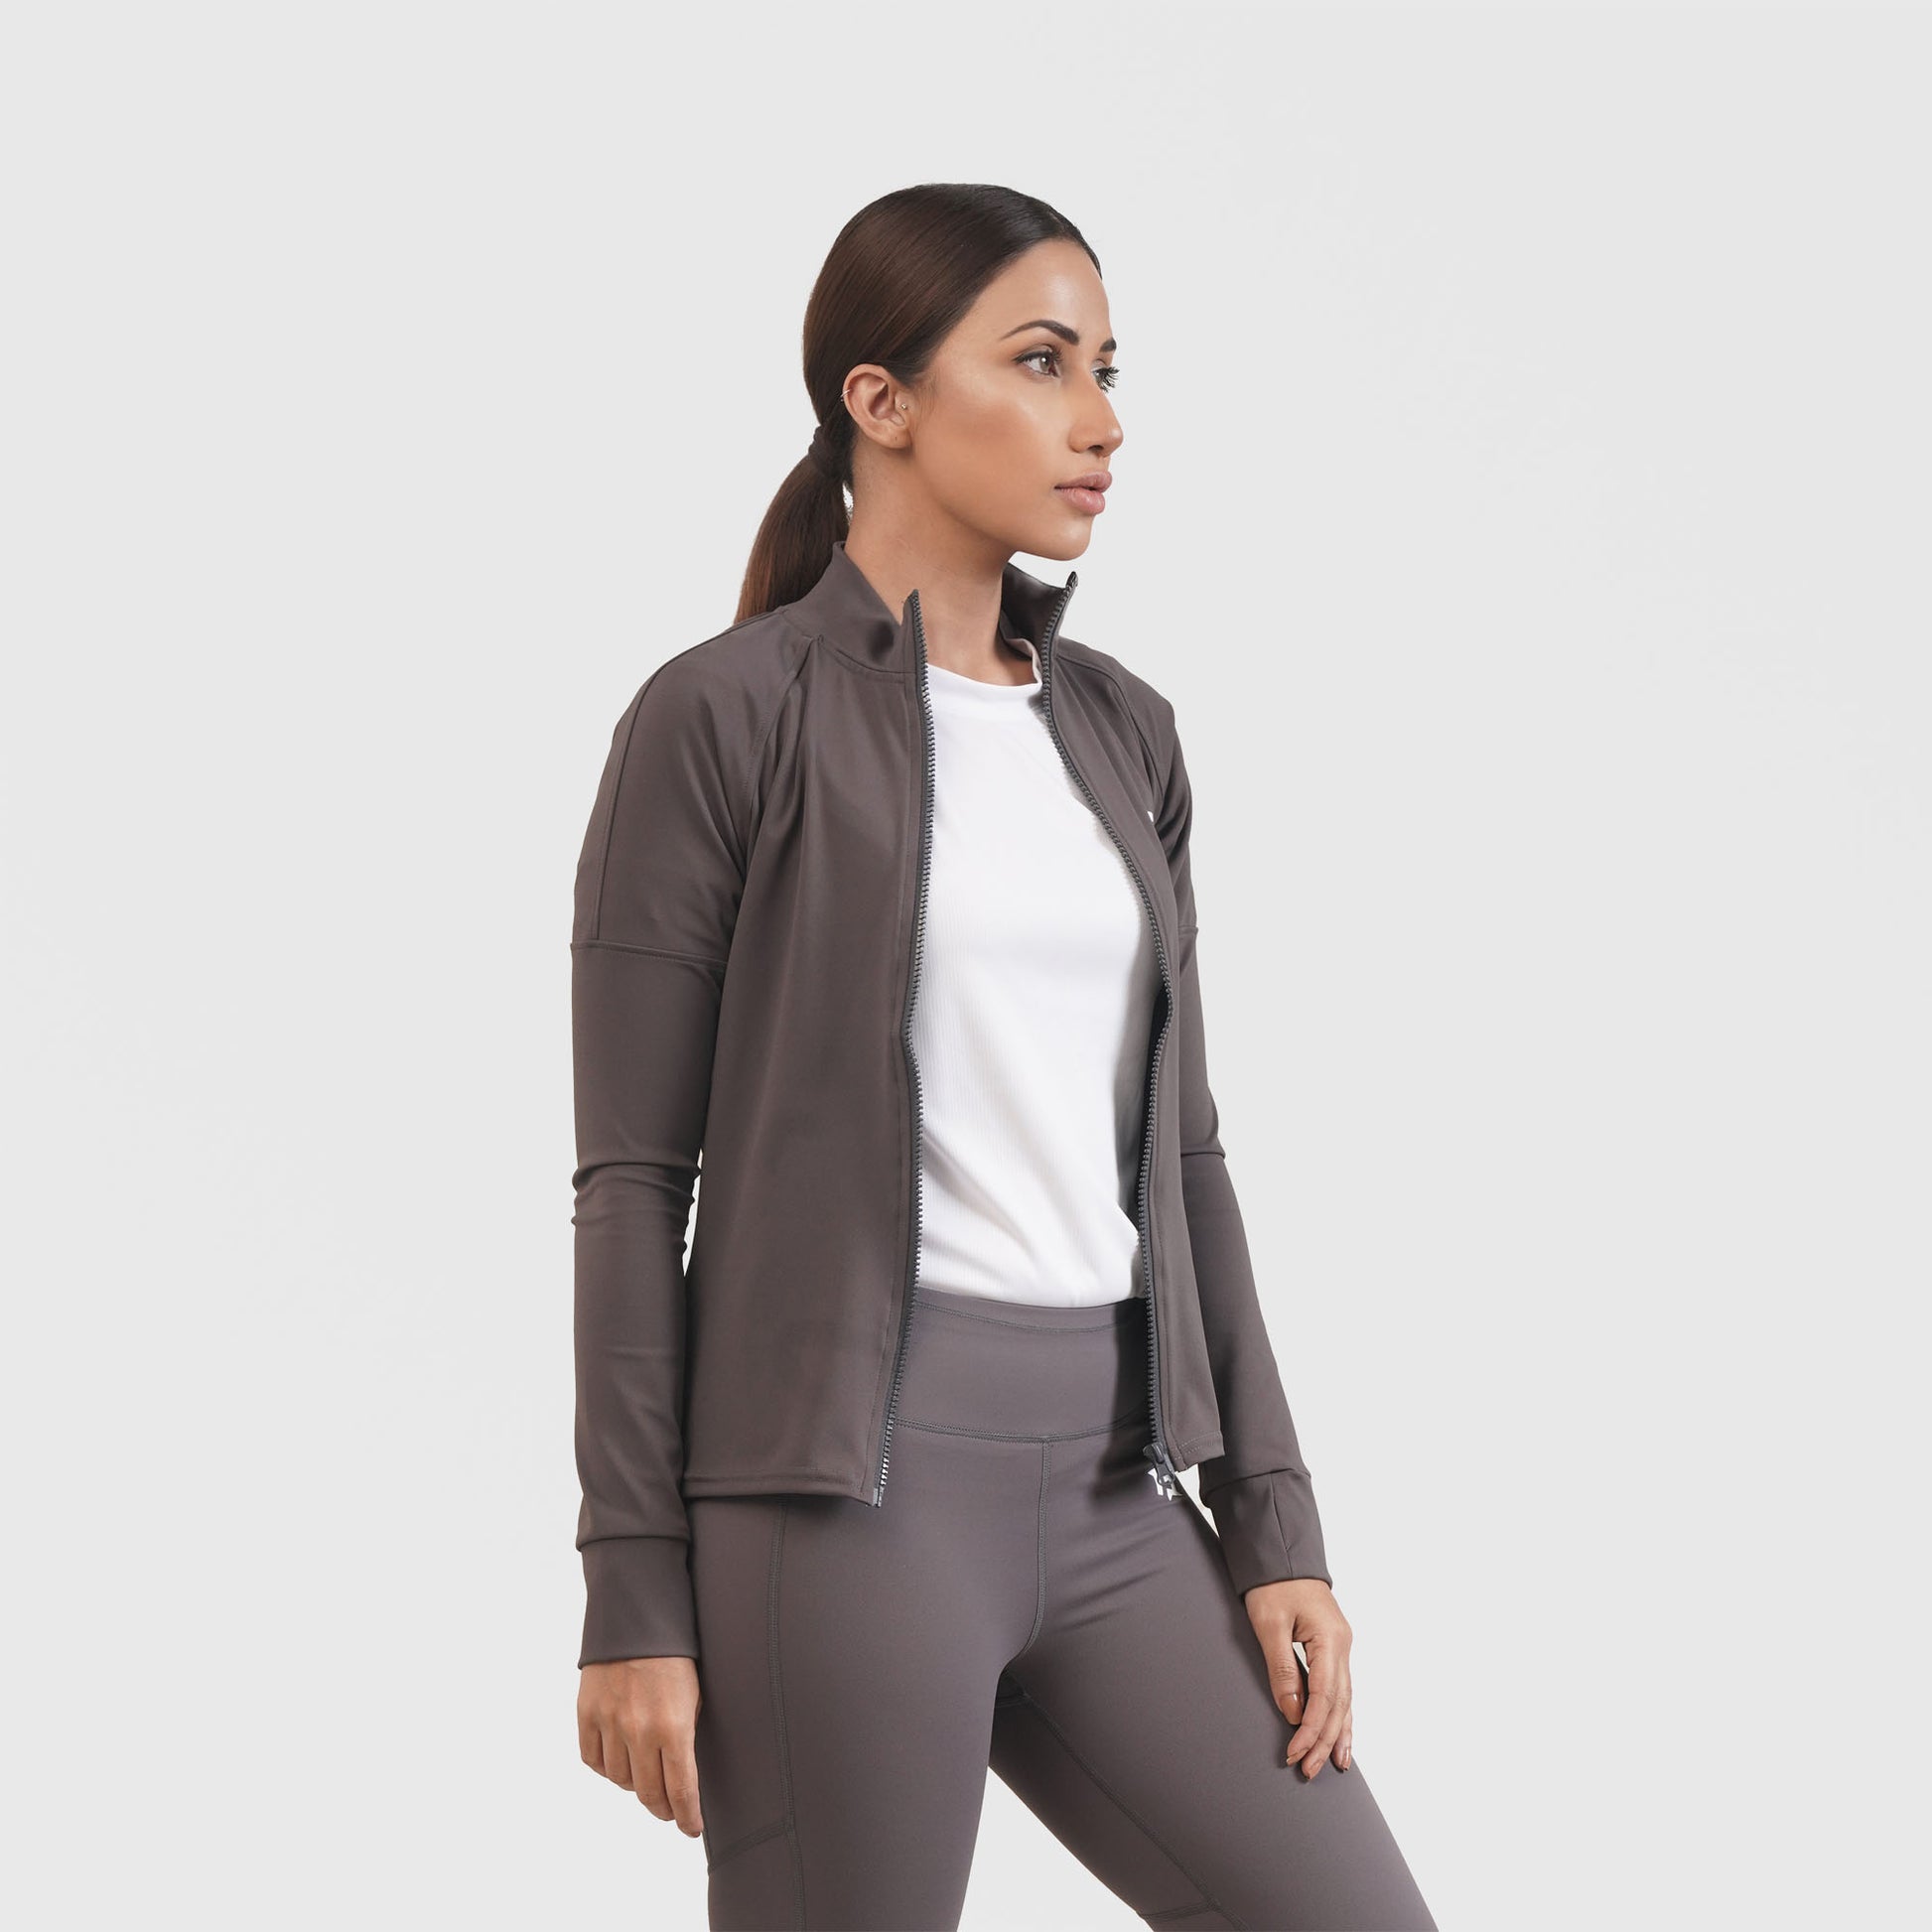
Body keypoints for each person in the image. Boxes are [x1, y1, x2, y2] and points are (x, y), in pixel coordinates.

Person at [570, 183, 1437, 1931]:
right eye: (1041, 364)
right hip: (839, 1503)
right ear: (877, 399)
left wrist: (1274, 1522)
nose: (1098, 421)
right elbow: (632, 1184)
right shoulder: (722, 717)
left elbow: (1185, 1157)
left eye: (1106, 369)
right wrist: (632, 1589)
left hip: (1119, 1487)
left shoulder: (1122, 733)